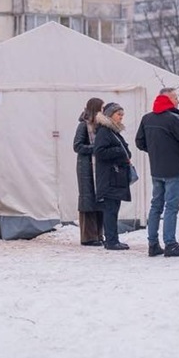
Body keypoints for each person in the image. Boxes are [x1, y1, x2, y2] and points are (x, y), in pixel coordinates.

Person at [135, 87, 179, 258]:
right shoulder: (174, 119)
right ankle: (170, 243)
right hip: (174, 169)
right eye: (176, 98)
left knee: (156, 205)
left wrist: (157, 151)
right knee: (171, 207)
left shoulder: (147, 118)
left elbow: (139, 142)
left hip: (156, 169)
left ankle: (153, 244)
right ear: (168, 99)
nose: (178, 101)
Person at [92, 102, 134, 250]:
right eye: (118, 114)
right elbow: (100, 152)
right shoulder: (104, 132)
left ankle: (113, 238)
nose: (121, 118)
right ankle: (111, 240)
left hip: (115, 177)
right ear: (110, 115)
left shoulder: (112, 132)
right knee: (110, 210)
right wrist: (119, 152)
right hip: (110, 178)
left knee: (113, 209)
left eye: (122, 115)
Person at [72, 97, 106, 247]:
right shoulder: (83, 126)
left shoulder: (100, 126)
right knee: (88, 200)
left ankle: (98, 233)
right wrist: (96, 149)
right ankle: (88, 236)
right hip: (86, 167)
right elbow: (77, 146)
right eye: (102, 108)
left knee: (99, 199)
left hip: (97, 166)